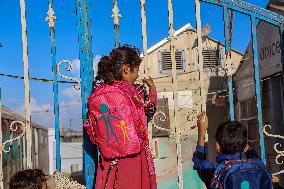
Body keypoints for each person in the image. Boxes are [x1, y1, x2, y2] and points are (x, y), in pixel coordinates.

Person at [84, 45, 157, 189]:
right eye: (136, 70)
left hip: (109, 161)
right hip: (135, 160)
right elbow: (150, 110)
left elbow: (91, 130)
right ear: (126, 69)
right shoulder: (137, 91)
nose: (137, 75)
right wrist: (153, 90)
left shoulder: (98, 91)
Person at [192, 112, 273, 189]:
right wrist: (239, 138)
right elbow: (247, 148)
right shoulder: (256, 163)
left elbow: (199, 162)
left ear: (218, 146)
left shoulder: (215, 173)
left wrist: (201, 132)